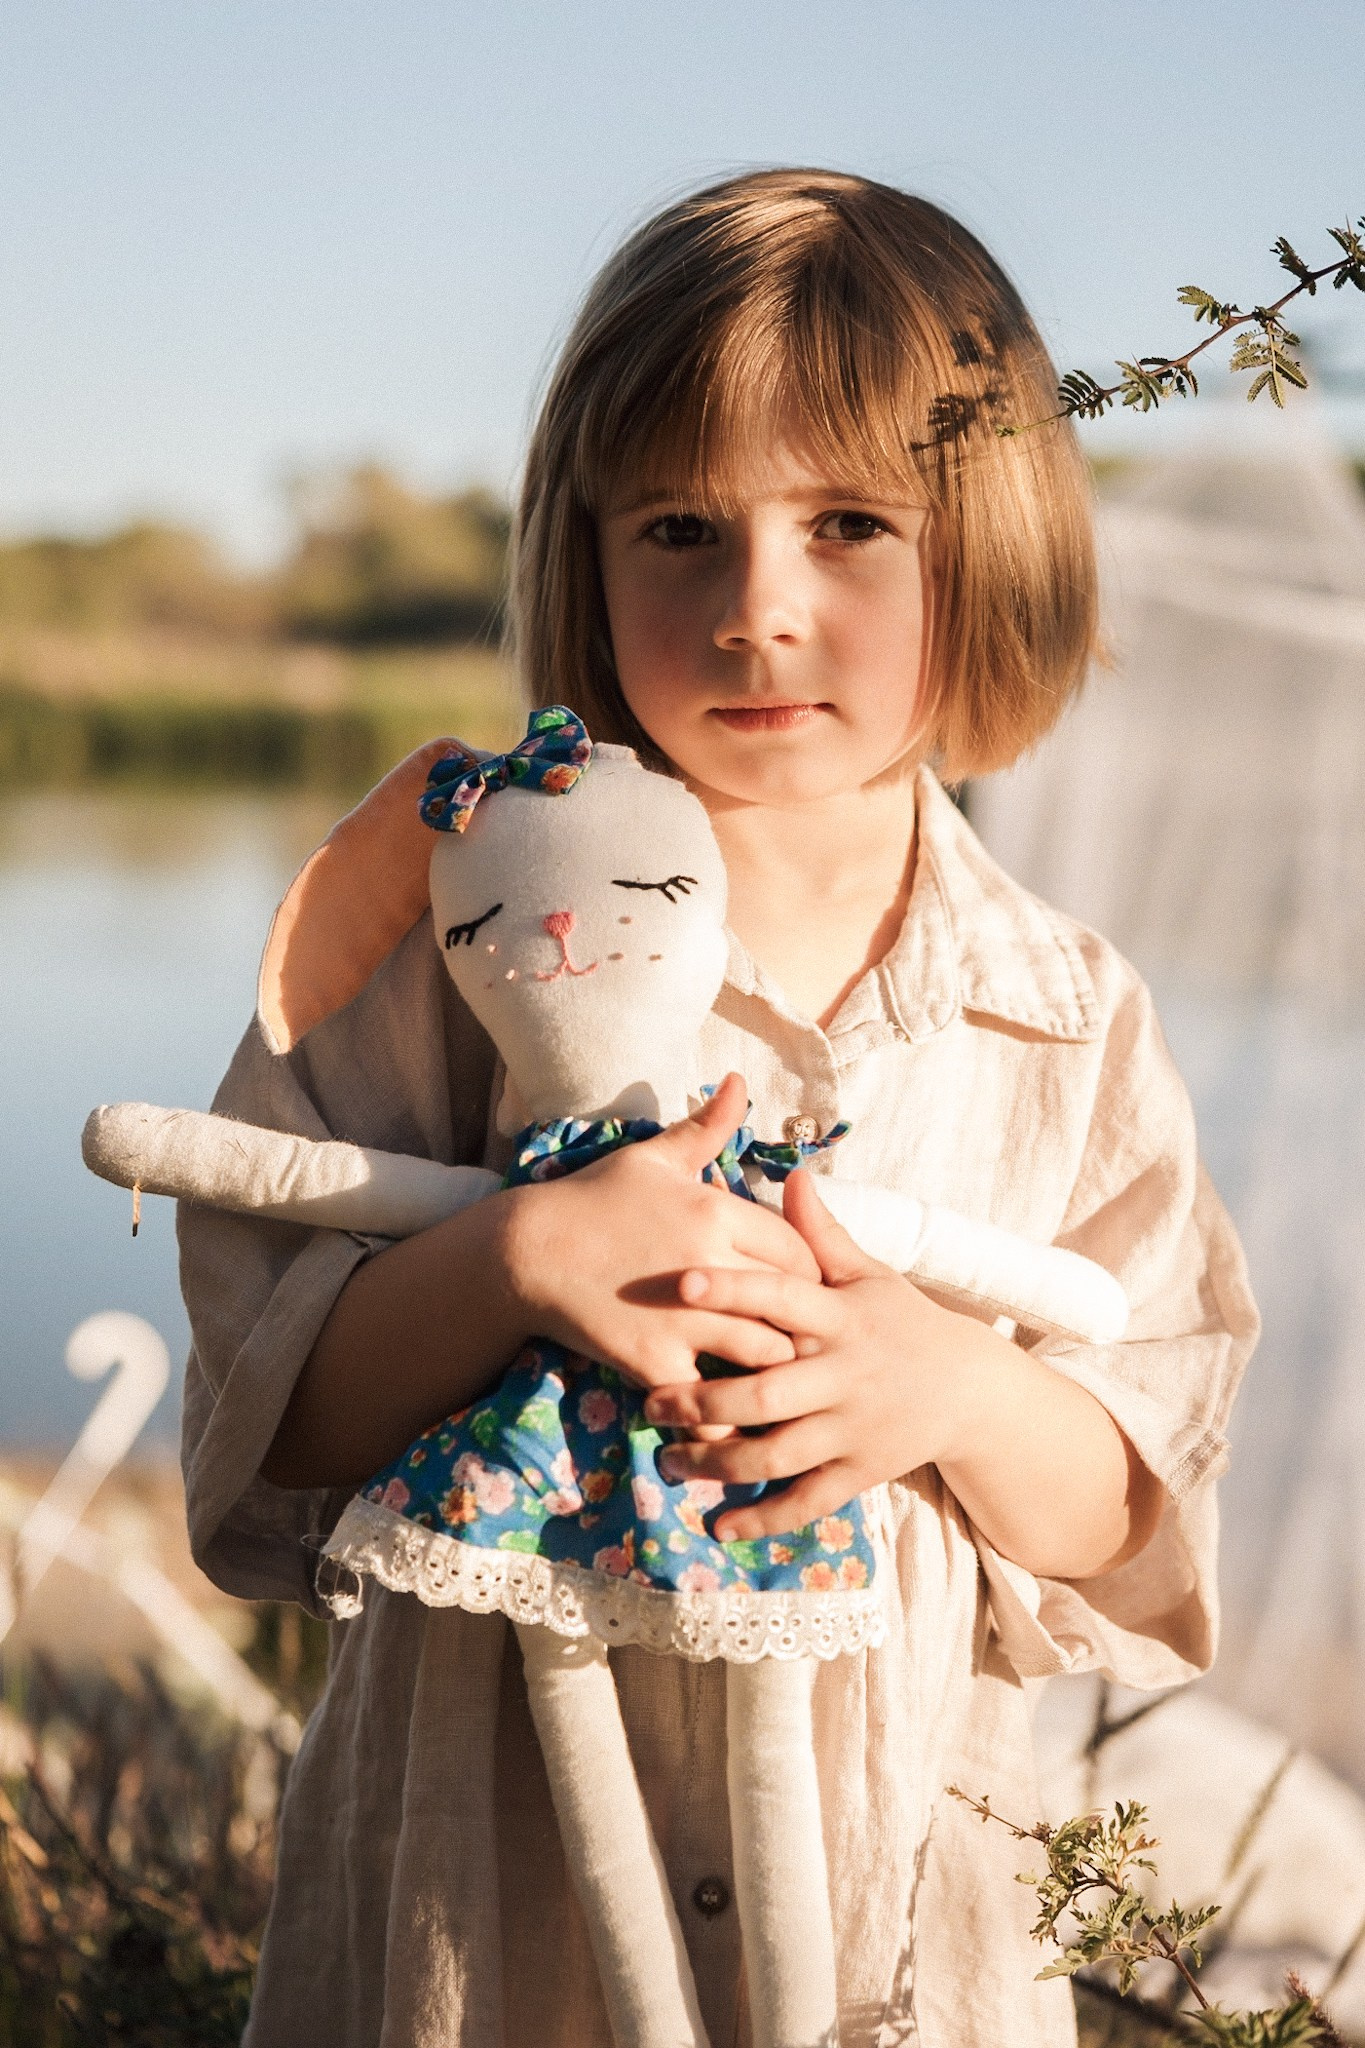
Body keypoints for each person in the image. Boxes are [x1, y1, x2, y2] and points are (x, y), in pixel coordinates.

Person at [180, 169, 1258, 2047]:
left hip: (886, 1906)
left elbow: (1136, 1498)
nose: (759, 610)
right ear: (583, 554)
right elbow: (267, 1424)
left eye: (850, 524)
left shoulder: (1062, 1013)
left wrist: (959, 1388)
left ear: (986, 545)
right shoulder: (456, 934)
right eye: (680, 525)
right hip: (483, 1901)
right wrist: (511, 1257)